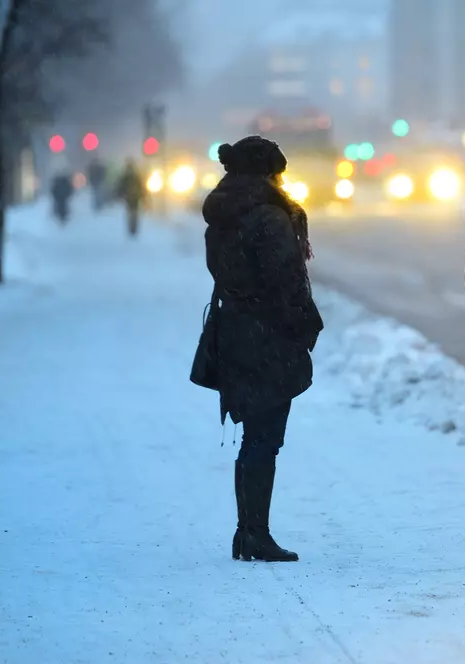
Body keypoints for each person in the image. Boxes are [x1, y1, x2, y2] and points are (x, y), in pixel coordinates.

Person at [198, 135, 323, 563]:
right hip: (267, 336)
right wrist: (305, 326)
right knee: (264, 439)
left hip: (236, 330)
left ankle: (247, 532)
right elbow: (286, 282)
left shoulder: (224, 215)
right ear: (269, 172)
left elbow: (229, 271)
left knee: (255, 435)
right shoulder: (269, 217)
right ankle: (254, 534)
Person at [116, 159, 145, 237]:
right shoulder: (136, 176)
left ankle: (132, 229)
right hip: (134, 198)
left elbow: (120, 187)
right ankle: (133, 229)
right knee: (133, 214)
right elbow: (141, 187)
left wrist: (120, 195)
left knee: (131, 214)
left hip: (130, 198)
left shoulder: (127, 176)